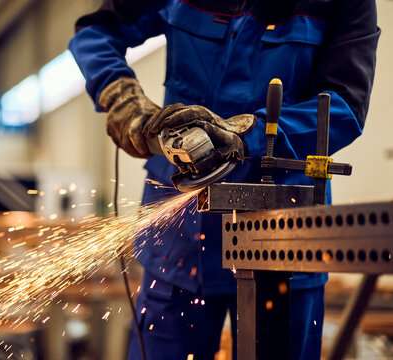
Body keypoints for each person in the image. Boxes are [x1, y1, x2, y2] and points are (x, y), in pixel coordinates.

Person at [69, 0, 379, 359]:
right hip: (179, 237)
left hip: (285, 237)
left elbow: (345, 106)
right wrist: (121, 95)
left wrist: (246, 135)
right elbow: (95, 33)